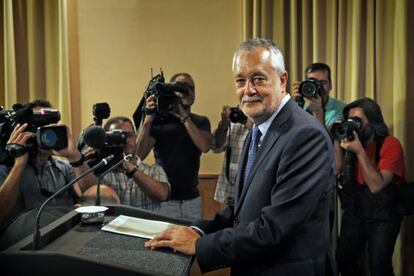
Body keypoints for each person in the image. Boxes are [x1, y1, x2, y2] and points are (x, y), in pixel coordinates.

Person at [145, 38, 335, 275]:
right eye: (240, 81)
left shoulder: (305, 135)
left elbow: (274, 228)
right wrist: (198, 231)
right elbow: (240, 208)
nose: (248, 90)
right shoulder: (257, 130)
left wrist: (199, 245)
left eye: (258, 79)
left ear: (282, 80)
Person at [0, 99, 97, 248]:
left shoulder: (63, 168)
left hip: (66, 241)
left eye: (49, 125)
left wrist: (75, 157)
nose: (45, 131)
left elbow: (95, 198)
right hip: (23, 248)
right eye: (38, 126)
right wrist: (19, 162)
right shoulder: (7, 169)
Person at [334, 98, 405, 276]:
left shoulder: (390, 144)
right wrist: (337, 137)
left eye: (358, 121)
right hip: (356, 210)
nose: (354, 125)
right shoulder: (350, 143)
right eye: (350, 120)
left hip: (383, 213)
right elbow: (336, 168)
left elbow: (377, 185)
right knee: (344, 258)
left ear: (373, 121)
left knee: (379, 267)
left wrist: (359, 151)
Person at [137, 73, 212, 220]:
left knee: (192, 239)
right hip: (165, 199)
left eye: (191, 88)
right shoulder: (159, 121)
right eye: (181, 87)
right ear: (171, 90)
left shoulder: (200, 121)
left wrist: (183, 116)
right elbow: (138, 155)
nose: (187, 91)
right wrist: (147, 121)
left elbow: (204, 146)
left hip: (192, 199)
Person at [98, 116, 169, 211]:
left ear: (136, 138)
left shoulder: (154, 170)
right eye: (117, 137)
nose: (125, 140)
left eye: (129, 135)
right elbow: (86, 192)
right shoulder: (101, 172)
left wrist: (129, 166)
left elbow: (162, 195)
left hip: (145, 225)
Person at [211, 105, 252, 206]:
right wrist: (223, 126)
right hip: (230, 194)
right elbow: (216, 147)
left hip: (253, 196)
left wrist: (252, 124)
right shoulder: (234, 124)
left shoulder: (267, 124)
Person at [292, 62, 346, 131]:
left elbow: (329, 140)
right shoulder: (299, 105)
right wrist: (293, 105)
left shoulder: (340, 109)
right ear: (306, 84)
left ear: (330, 85)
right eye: (313, 82)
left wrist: (318, 112)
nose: (318, 87)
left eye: (323, 82)